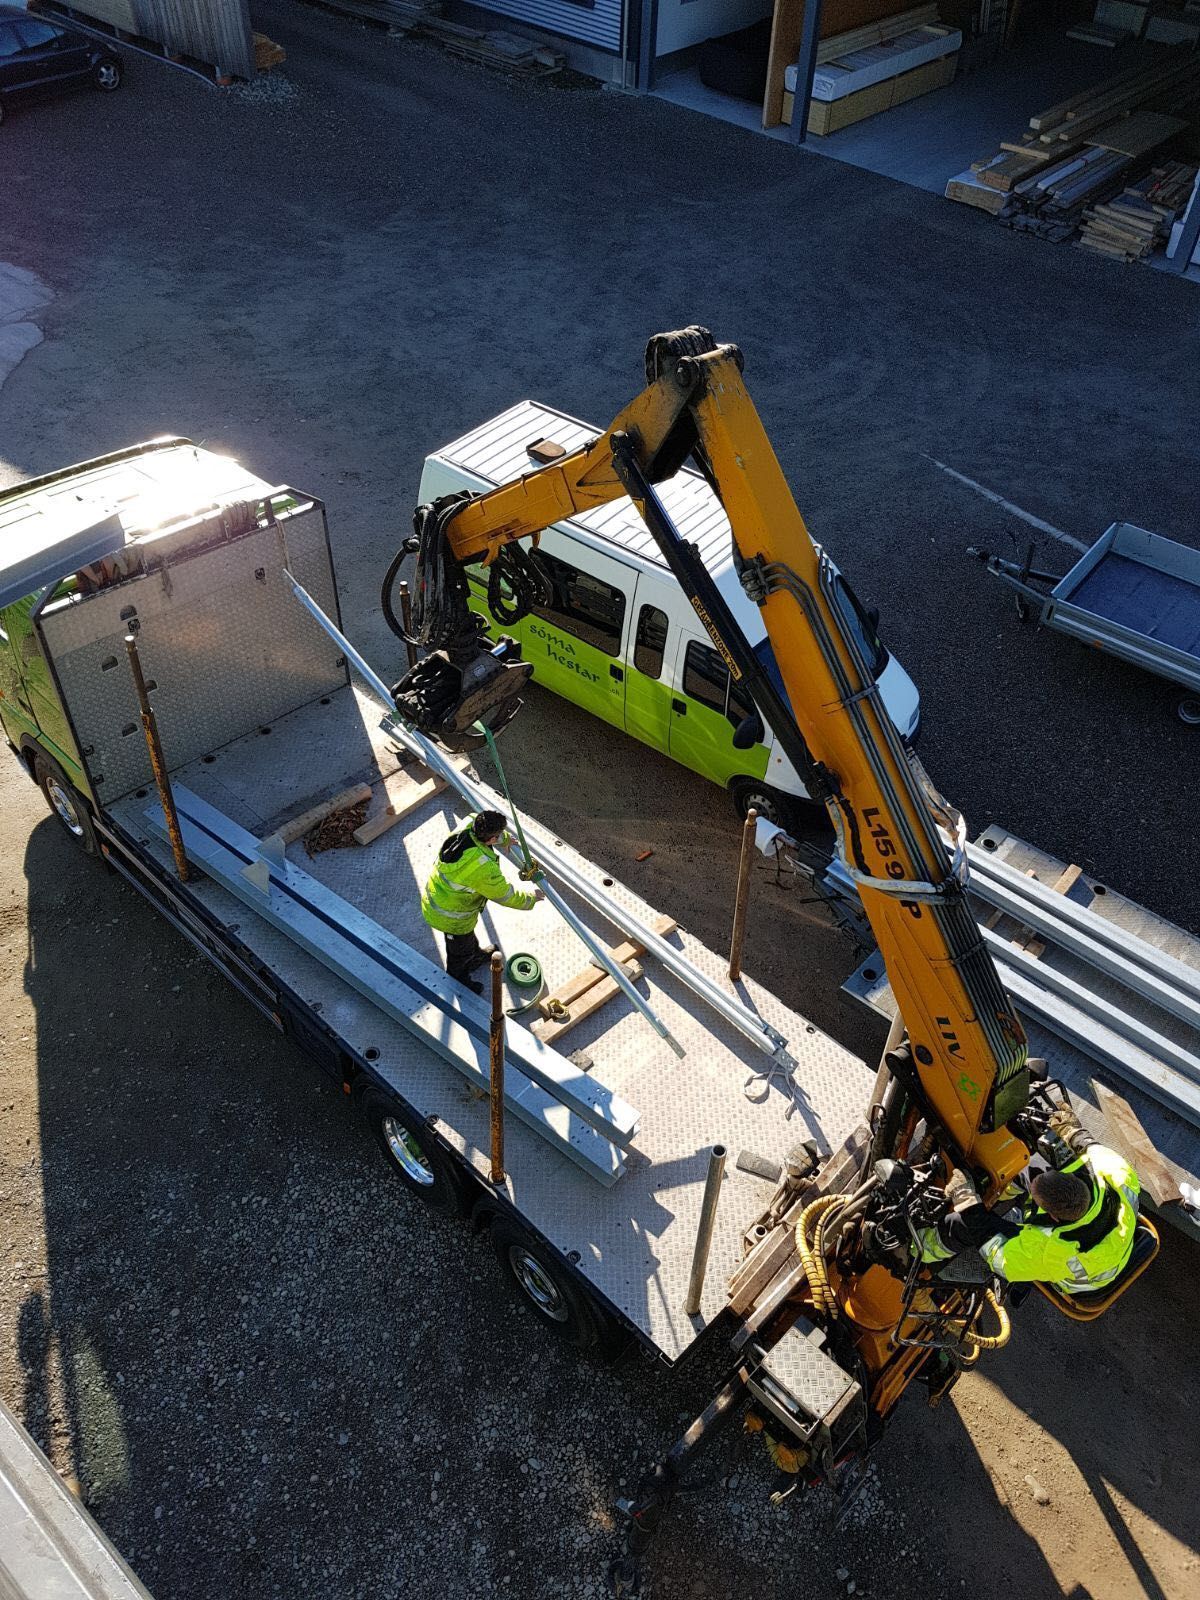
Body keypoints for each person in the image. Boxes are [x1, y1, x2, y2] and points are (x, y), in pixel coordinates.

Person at [917, 1105, 1141, 1298]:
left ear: (1052, 1216)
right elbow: (1085, 1143)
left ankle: (922, 1249)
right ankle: (997, 1193)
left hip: (1083, 1281)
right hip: (1113, 1242)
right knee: (1030, 1166)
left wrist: (966, 1200)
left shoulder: (1052, 1253)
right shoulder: (1113, 1170)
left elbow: (998, 1256)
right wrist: (1068, 1129)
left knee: (964, 1224)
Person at [420, 809, 543, 993]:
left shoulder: (471, 823)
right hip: (449, 915)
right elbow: (506, 895)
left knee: (467, 941)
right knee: (459, 952)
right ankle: (459, 979)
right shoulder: (481, 867)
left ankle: (475, 955)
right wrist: (531, 899)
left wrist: (505, 839)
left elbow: (489, 831)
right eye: (499, 835)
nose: (501, 837)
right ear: (491, 839)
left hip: (442, 898)